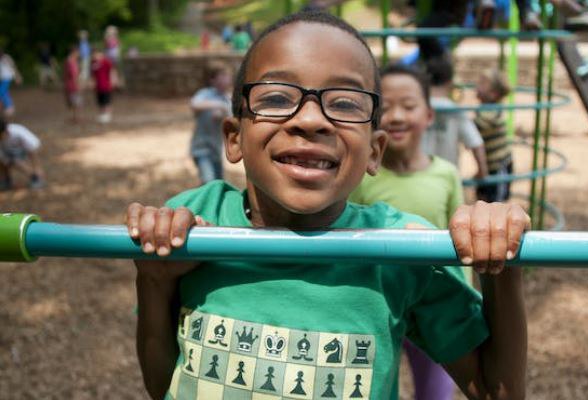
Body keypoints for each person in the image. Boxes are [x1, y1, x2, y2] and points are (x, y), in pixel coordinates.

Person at [125, 11, 528, 400]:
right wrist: (154, 280)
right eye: (278, 97)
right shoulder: (195, 225)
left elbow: (498, 391)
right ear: (233, 137)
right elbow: (164, 384)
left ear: (374, 151)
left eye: (346, 103)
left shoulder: (402, 249)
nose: (311, 120)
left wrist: (502, 266)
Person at [350, 64, 468, 400]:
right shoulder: (361, 178)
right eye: (385, 108)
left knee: (435, 392)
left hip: (430, 304)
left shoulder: (446, 174)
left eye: (409, 106)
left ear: (429, 115)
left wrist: (461, 301)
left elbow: (458, 242)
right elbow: (347, 236)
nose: (397, 116)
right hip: (376, 304)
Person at [422, 55, 489, 179]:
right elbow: (476, 143)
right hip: (447, 178)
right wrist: (482, 172)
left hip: (419, 177)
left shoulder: (417, 108)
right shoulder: (456, 111)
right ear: (450, 81)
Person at [189, 63, 232, 184]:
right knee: (209, 183)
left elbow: (231, 119)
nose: (226, 79)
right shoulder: (205, 94)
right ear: (213, 79)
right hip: (201, 149)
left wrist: (222, 113)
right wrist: (219, 105)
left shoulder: (228, 99)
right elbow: (194, 105)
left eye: (227, 76)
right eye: (222, 76)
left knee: (218, 185)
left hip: (216, 150)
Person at [474, 68, 513, 202]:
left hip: (499, 165)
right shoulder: (483, 108)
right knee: (483, 197)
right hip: (489, 163)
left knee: (496, 201)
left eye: (483, 83)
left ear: (493, 94)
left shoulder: (494, 111)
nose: (477, 85)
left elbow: (479, 125)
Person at [0, 117, 44, 190]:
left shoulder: (18, 132)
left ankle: (35, 177)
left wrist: (37, 167)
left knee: (17, 161)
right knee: (5, 160)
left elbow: (32, 149)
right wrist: (7, 161)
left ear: (6, 131)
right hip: (8, 152)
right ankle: (5, 180)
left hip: (22, 150)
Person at [91, 48, 113, 123]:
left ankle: (107, 115)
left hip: (106, 85)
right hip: (98, 86)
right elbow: (93, 75)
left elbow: (112, 70)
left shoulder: (106, 62)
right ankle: (102, 115)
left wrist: (113, 80)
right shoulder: (93, 63)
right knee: (100, 101)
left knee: (106, 101)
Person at [0, 48, 22, 117]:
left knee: (1, 92)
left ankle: (10, 107)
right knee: (5, 92)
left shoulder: (6, 57)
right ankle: (9, 108)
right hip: (3, 78)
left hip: (8, 77)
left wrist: (17, 76)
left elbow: (13, 66)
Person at [63, 46, 81, 122]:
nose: (78, 54)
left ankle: (74, 116)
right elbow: (74, 75)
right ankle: (75, 117)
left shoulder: (68, 61)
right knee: (74, 101)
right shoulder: (71, 62)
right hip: (72, 84)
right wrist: (77, 84)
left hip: (68, 84)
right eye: (77, 52)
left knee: (72, 101)